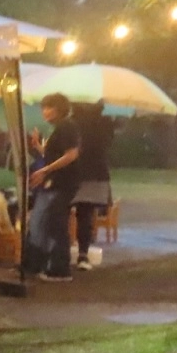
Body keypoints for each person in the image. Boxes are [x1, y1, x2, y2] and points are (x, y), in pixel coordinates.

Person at [24, 92, 82, 282]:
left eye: (50, 107)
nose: (45, 112)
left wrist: (44, 170)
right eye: (44, 108)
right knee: (42, 222)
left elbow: (71, 154)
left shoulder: (67, 126)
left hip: (62, 184)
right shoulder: (60, 128)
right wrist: (39, 148)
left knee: (55, 224)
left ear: (59, 109)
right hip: (54, 183)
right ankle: (36, 264)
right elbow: (55, 155)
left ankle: (60, 268)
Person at [71, 101, 113, 270]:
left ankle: (58, 252)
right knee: (85, 216)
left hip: (73, 173)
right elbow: (108, 143)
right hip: (96, 173)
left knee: (61, 214)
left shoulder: (73, 123)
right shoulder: (104, 123)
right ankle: (83, 254)